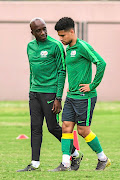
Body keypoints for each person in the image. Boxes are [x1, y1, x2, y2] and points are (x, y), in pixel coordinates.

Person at [17, 17, 83, 172]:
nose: (43, 32)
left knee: (53, 127)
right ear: (32, 32)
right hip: (34, 93)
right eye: (38, 30)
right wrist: (31, 89)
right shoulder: (30, 47)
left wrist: (58, 98)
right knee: (35, 128)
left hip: (50, 93)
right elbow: (33, 70)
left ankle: (75, 153)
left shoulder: (55, 45)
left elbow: (62, 71)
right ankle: (34, 164)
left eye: (44, 29)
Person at [50, 17, 111, 171]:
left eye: (63, 35)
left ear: (72, 31)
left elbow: (101, 63)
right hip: (71, 97)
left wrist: (92, 85)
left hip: (85, 97)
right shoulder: (68, 50)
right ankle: (65, 164)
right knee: (66, 127)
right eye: (59, 36)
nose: (61, 39)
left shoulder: (83, 46)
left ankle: (103, 159)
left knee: (83, 131)